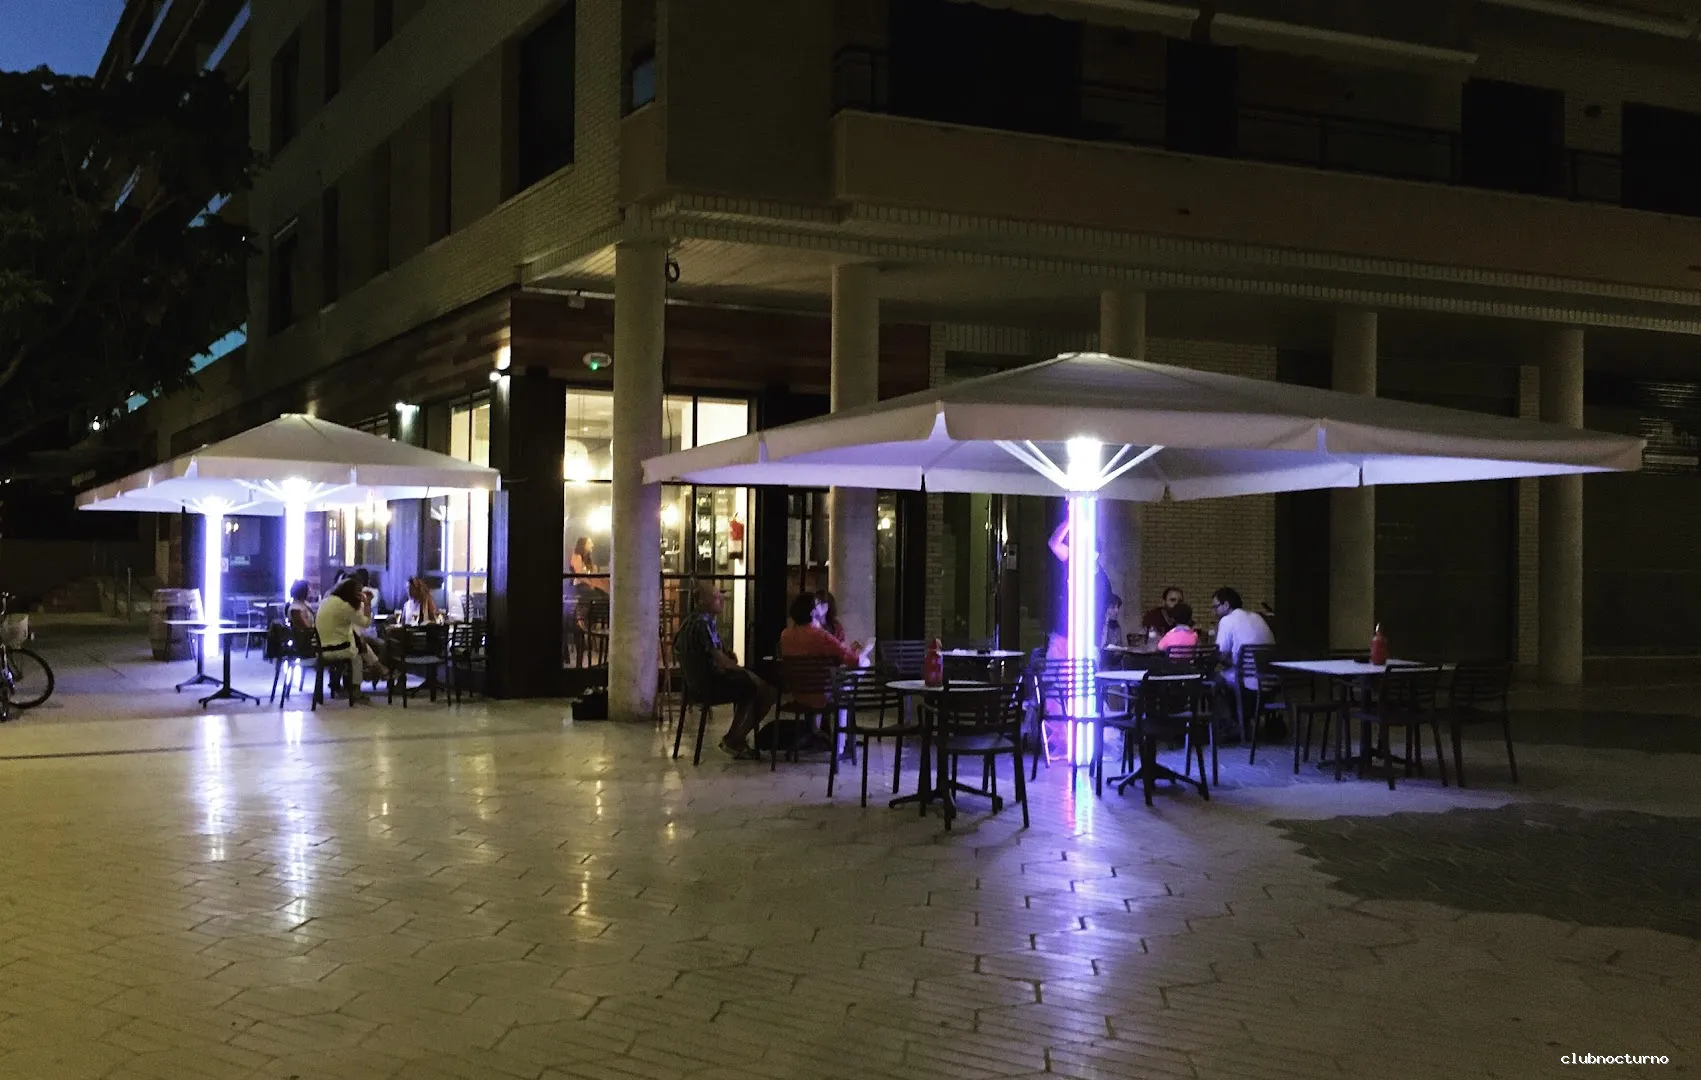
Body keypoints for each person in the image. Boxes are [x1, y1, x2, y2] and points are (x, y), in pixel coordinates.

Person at [673, 581, 776, 760]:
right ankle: (734, 739)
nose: (721, 599)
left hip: (695, 687)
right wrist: (747, 673)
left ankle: (735, 738)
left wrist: (729, 660)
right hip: (709, 686)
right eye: (715, 597)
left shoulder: (688, 622)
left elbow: (716, 656)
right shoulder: (704, 623)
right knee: (762, 690)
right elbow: (722, 662)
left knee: (748, 686)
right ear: (702, 601)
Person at [780, 592, 868, 714]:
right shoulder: (821, 636)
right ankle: (842, 723)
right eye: (818, 604)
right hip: (820, 695)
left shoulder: (785, 634)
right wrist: (864, 653)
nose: (821, 607)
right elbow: (852, 660)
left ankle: (819, 724)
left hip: (798, 693)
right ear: (812, 612)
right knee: (863, 663)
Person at [1211, 586, 1277, 739]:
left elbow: (1220, 653)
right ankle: (1241, 723)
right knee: (1228, 674)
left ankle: (1229, 727)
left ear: (1226, 605)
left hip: (1247, 685)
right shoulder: (1257, 617)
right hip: (1271, 683)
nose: (1213, 611)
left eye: (1215, 607)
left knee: (1213, 680)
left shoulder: (1227, 620)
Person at [316, 578, 380, 703]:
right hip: (338, 649)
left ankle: (374, 670)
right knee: (357, 654)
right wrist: (367, 603)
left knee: (359, 644)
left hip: (322, 648)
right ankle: (357, 689)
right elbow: (365, 623)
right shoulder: (344, 606)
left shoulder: (326, 601)